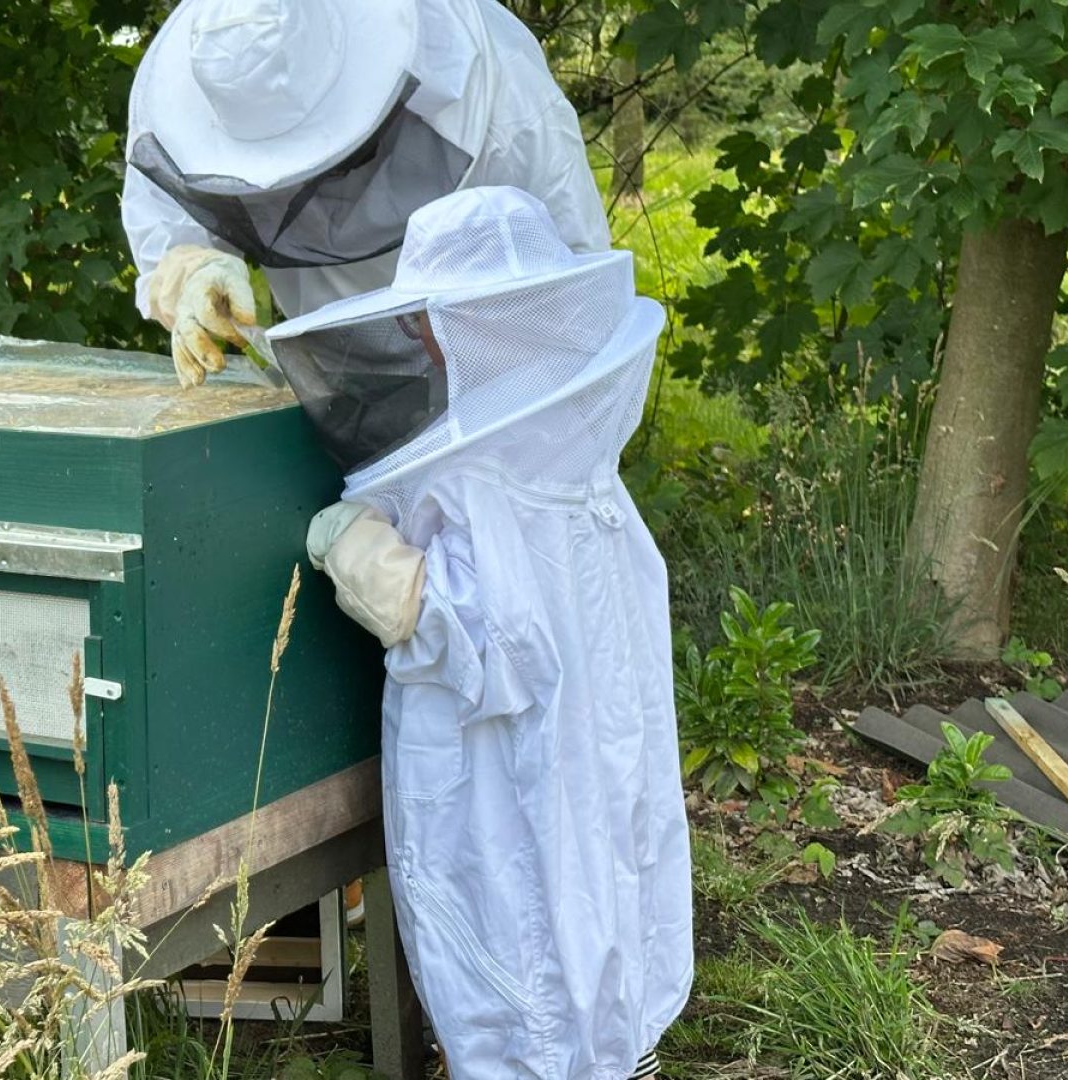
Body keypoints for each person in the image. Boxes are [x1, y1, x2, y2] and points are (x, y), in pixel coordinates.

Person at [267, 186, 693, 1079]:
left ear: (456, 320)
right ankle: (615, 1049)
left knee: (522, 900)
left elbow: (458, 625)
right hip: (587, 727)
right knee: (595, 873)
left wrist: (352, 548)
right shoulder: (566, 436)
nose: (421, 332)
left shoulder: (493, 462)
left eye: (432, 314)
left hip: (507, 748)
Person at [123, 0, 609, 386]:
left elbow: (582, 285)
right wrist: (190, 269)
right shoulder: (206, 76)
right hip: (333, 386)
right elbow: (164, 226)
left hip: (502, 379)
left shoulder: (501, 87)